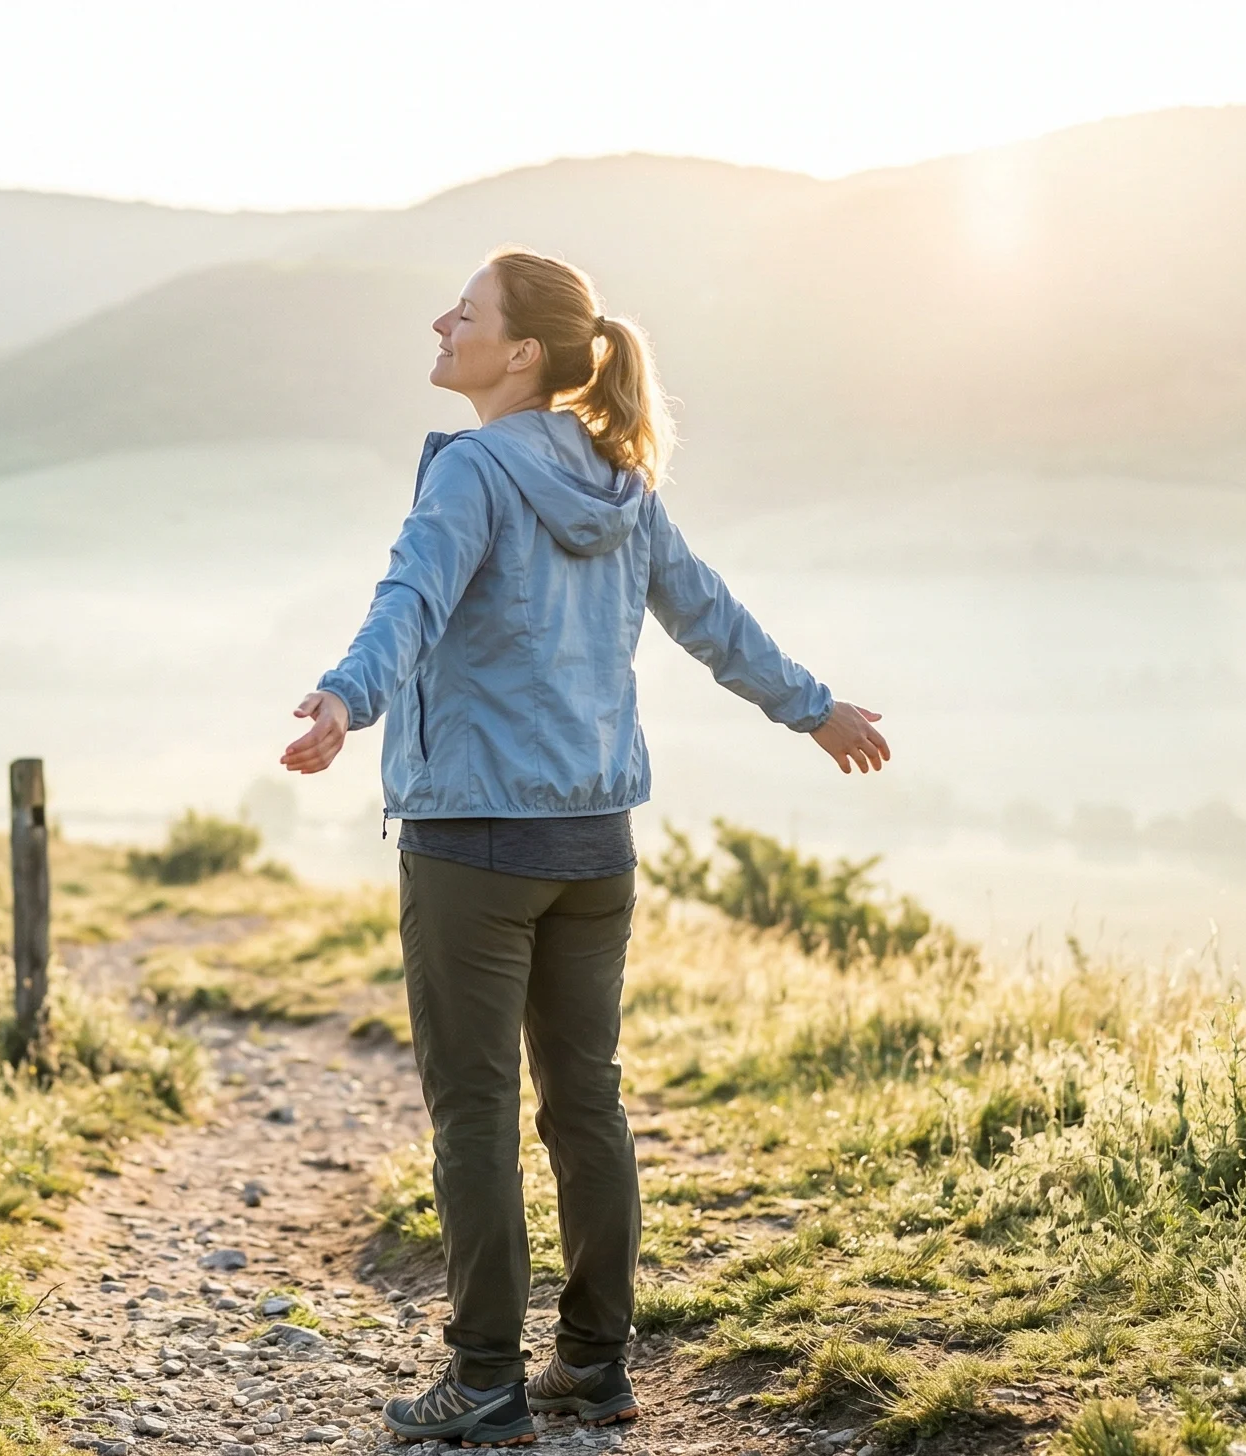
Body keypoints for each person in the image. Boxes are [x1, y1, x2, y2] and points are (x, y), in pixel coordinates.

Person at [279, 249, 889, 1447]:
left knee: (474, 1112)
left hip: (472, 842)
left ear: (521, 354)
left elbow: (408, 599)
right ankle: (595, 1365)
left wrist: (346, 699)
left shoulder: (472, 472)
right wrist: (815, 708)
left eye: (469, 311)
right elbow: (711, 615)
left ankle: (486, 1376)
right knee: (586, 1104)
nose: (441, 319)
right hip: (595, 843)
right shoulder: (621, 479)